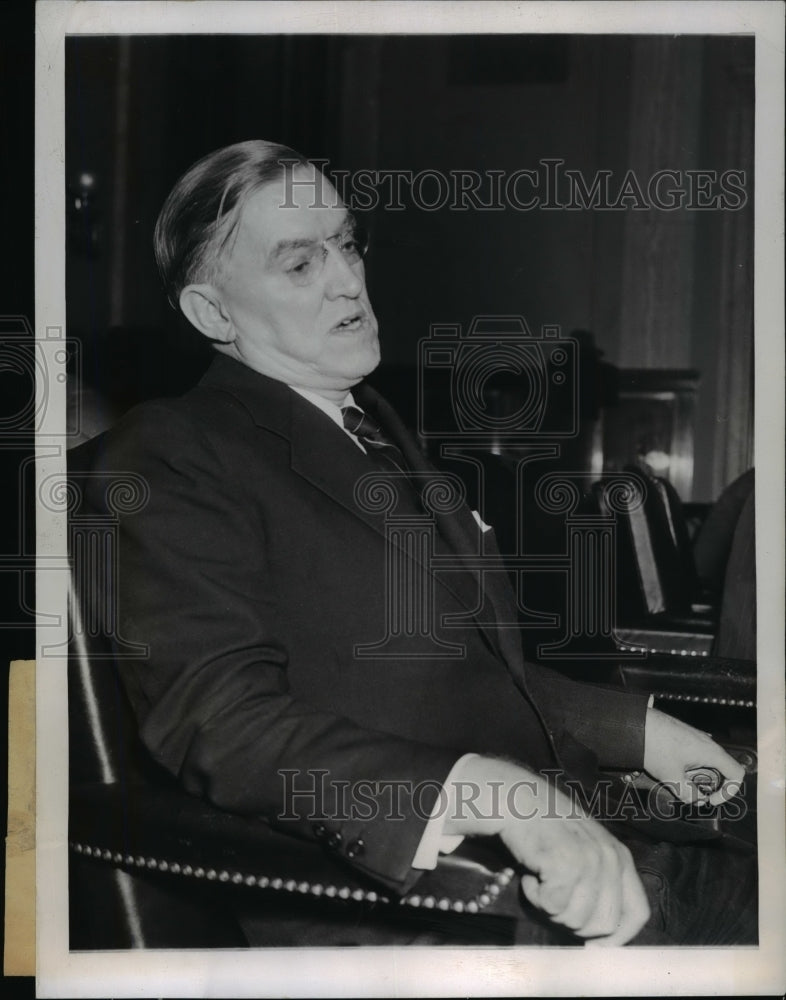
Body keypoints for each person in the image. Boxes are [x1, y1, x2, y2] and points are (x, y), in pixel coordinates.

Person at [82, 139, 755, 947]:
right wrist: (497, 795)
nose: (347, 278)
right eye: (299, 264)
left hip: (595, 840)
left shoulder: (372, 429)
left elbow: (472, 674)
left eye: (346, 242)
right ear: (212, 314)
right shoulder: (174, 450)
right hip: (432, 902)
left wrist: (648, 732)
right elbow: (219, 722)